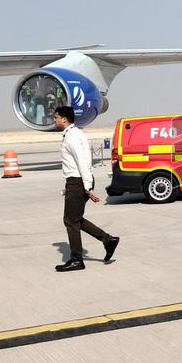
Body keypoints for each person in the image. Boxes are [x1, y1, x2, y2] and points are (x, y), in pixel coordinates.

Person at [53, 106, 119, 272]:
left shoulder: (72, 137)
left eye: (56, 117)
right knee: (75, 218)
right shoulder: (73, 134)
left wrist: (88, 187)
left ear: (64, 119)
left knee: (70, 220)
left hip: (77, 182)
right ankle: (108, 240)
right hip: (76, 181)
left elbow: (82, 162)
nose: (54, 121)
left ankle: (77, 259)